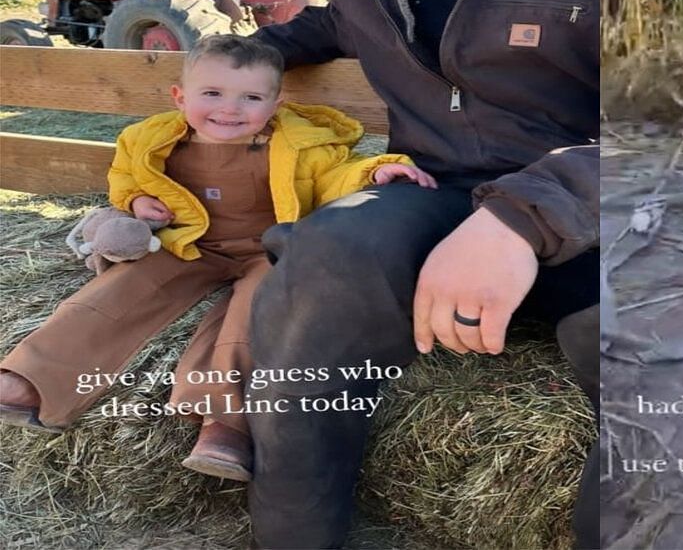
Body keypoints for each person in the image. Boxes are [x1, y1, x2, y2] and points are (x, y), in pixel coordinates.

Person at [246, 0, 600, 548]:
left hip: (596, 216)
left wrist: (520, 217)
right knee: (323, 261)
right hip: (433, 198)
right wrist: (250, 56)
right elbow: (326, 28)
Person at [0, 35, 429, 481]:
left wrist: (373, 172)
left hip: (268, 248)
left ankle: (223, 422)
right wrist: (139, 200)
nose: (230, 109)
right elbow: (124, 178)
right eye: (212, 94)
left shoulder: (303, 144)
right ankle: (34, 377)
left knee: (252, 314)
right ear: (179, 97)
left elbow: (336, 177)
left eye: (251, 97)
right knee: (116, 291)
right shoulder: (150, 141)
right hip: (188, 243)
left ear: (276, 102)